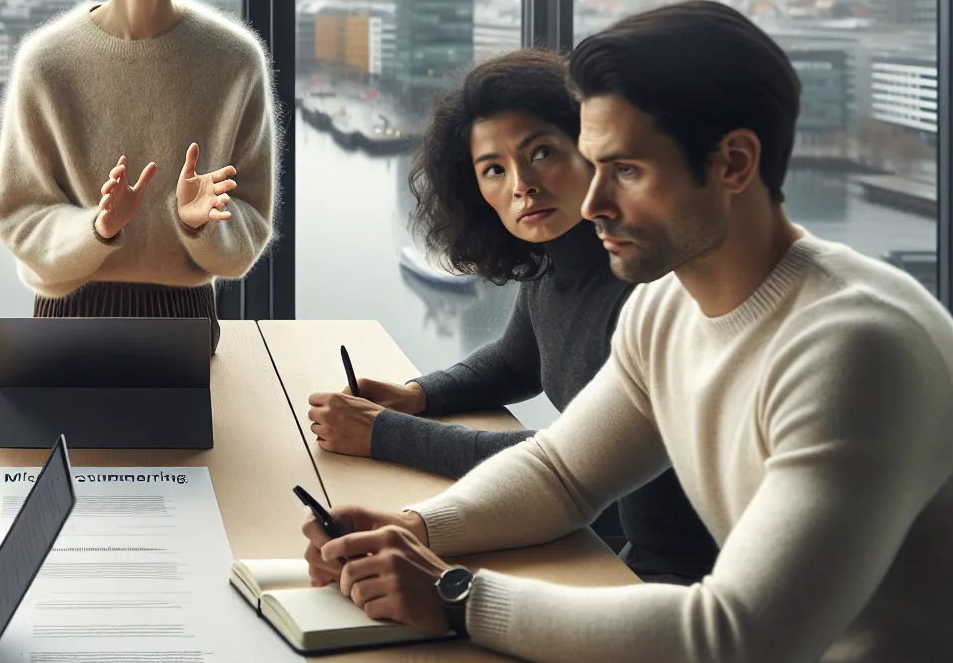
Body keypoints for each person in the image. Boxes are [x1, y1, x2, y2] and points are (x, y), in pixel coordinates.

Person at [299, 1, 953, 663]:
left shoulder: (856, 345)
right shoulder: (667, 303)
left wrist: (453, 592)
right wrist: (413, 530)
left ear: (733, 163)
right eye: (593, 163)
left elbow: (733, 653)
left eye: (627, 171)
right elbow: (561, 474)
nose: (590, 204)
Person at [306, 50, 716, 584]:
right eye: (493, 169)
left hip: (667, 573)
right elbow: (516, 360)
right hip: (612, 550)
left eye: (541, 152)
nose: (521, 184)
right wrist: (419, 394)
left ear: (592, 145)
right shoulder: (563, 259)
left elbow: (569, 464)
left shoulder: (646, 289)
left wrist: (386, 433)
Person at [0, 0, 276, 351]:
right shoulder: (46, 63)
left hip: (185, 319)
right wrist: (96, 228)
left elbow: (252, 223)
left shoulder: (236, 63)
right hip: (63, 317)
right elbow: (18, 215)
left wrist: (199, 223)